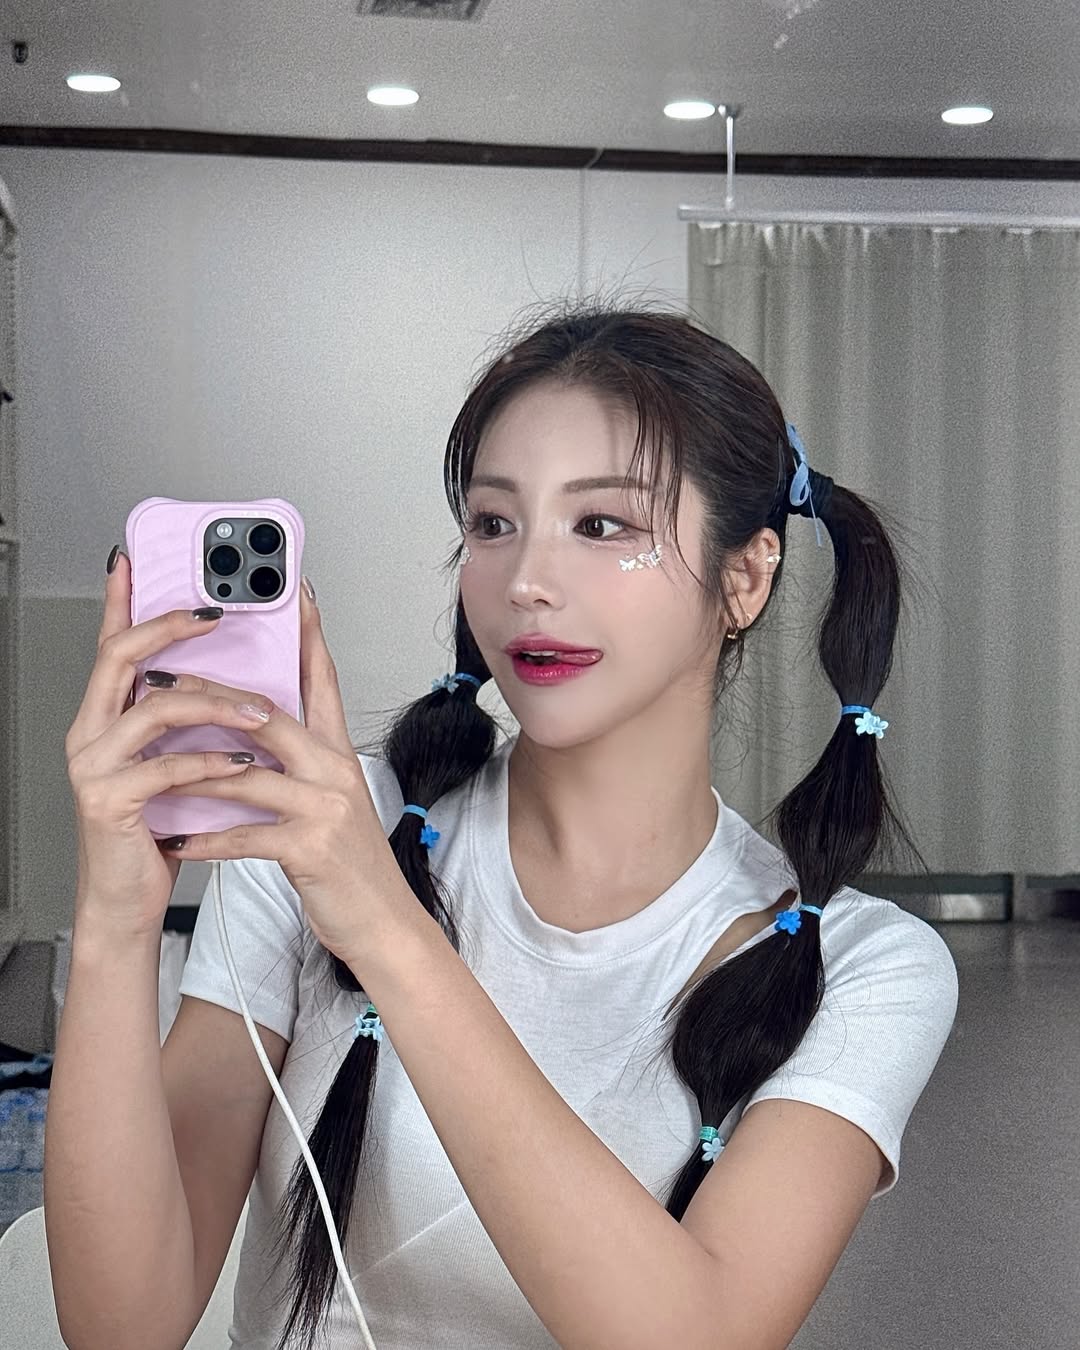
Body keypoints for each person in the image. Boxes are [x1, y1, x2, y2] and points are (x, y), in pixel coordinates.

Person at [54, 299, 958, 1350]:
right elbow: (122, 1325)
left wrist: (386, 930)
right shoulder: (313, 838)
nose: (525, 581)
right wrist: (117, 921)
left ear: (745, 576)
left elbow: (699, 1333)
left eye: (602, 525)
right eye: (493, 524)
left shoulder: (865, 967)